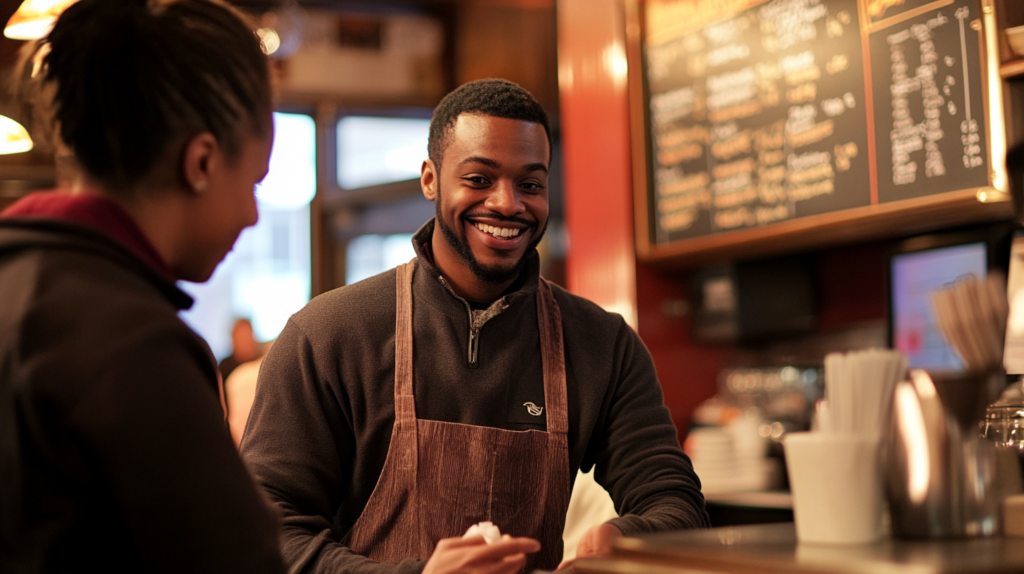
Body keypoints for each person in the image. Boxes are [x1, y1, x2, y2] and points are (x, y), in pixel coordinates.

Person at [240, 78, 709, 574]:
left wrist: (624, 538)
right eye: (479, 179)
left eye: (530, 184)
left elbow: (677, 503)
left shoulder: (601, 344)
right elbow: (266, 532)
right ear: (430, 179)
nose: (508, 204)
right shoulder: (329, 335)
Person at [0, 1, 286, 572]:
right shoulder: (130, 344)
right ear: (201, 161)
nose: (254, 215)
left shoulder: (18, 278)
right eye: (253, 180)